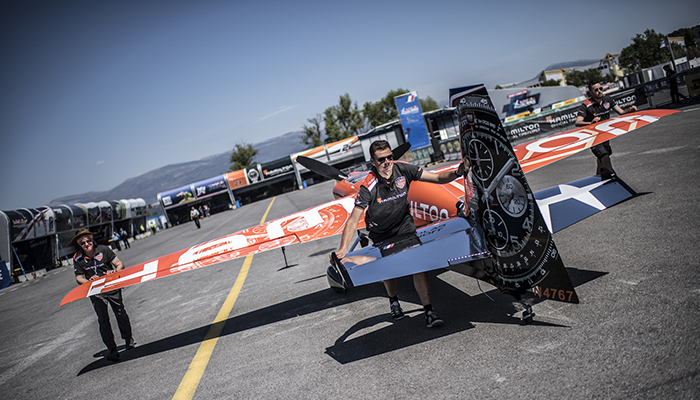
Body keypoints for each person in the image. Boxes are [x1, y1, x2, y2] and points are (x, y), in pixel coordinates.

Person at [332, 140, 468, 328]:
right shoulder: (368, 186)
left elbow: (437, 178)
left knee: (418, 264)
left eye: (390, 157)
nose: (387, 162)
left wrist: (458, 172)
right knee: (390, 268)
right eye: (381, 160)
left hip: (404, 225)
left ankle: (429, 311)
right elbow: (354, 219)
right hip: (381, 231)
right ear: (373, 161)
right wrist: (342, 249)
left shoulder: (403, 169)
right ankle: (393, 300)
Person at [72, 229, 135, 362]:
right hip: (96, 292)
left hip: (112, 287)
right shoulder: (78, 258)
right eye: (83, 243)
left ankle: (128, 339)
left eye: (88, 240)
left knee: (120, 312)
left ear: (92, 240)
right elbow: (79, 278)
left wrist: (114, 272)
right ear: (79, 244)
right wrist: (89, 282)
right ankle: (112, 350)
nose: (87, 244)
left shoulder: (104, 249)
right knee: (103, 320)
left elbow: (120, 264)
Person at [575, 81, 637, 178]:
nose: (599, 91)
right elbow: (578, 122)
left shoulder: (608, 100)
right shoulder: (586, 105)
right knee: (604, 156)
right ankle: (614, 177)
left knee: (601, 159)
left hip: (605, 134)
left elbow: (621, 112)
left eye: (601, 88)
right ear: (591, 93)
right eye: (596, 90)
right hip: (593, 136)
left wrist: (629, 111)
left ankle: (598, 179)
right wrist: (590, 123)